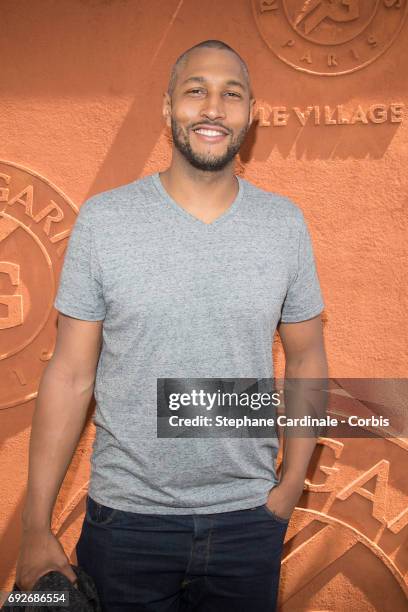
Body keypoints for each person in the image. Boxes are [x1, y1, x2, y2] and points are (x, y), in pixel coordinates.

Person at [16, 40, 328, 611]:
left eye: (231, 94)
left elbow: (307, 358)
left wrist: (289, 486)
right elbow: (68, 375)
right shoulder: (106, 221)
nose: (213, 106)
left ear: (250, 114)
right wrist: (35, 523)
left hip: (248, 523)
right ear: (168, 109)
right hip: (126, 524)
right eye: (196, 90)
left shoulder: (283, 224)